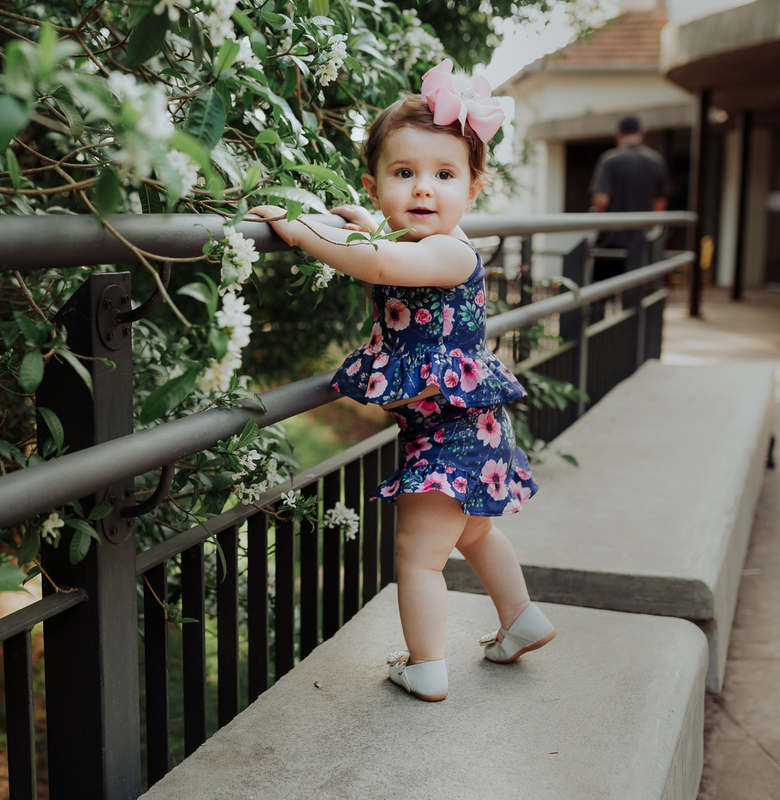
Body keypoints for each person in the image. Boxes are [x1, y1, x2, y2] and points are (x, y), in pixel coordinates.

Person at [249, 60, 554, 703]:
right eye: (404, 174)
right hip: (467, 429)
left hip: (448, 437)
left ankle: (425, 665)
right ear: (376, 182)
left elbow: (388, 261)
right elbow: (387, 245)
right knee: (473, 532)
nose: (423, 190)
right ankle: (522, 618)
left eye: (444, 175)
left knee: (418, 556)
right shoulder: (427, 239)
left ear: (473, 188)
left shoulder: (449, 251)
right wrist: (363, 221)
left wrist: (301, 230)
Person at [589, 116, 670, 282]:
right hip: (642, 239)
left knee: (601, 291)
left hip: (612, 239)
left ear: (617, 134)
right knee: (637, 289)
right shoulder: (656, 160)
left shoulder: (610, 160)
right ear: (642, 133)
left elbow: (602, 200)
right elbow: (660, 204)